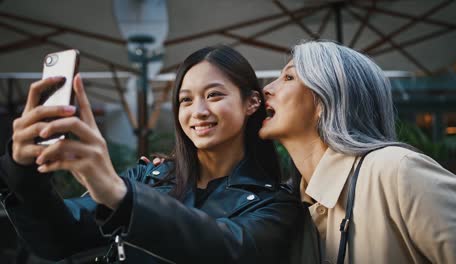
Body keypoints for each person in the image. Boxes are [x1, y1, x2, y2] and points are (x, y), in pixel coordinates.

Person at [0, 45, 302, 263]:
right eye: (185, 100)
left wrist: (124, 199)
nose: (198, 111)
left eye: (214, 95)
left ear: (251, 103)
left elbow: (227, 248)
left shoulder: (276, 204)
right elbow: (58, 239)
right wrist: (22, 171)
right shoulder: (147, 179)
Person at [259, 40, 456, 263]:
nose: (266, 89)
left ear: (324, 100)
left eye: (289, 77)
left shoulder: (397, 171)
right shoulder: (291, 204)